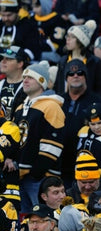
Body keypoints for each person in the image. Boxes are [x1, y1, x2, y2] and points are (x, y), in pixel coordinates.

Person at [12, 61, 65, 214]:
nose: (25, 80)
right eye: (24, 77)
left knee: (45, 217)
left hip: (41, 178)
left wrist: (36, 172)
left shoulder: (51, 106)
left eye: (31, 77)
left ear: (42, 81)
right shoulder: (21, 107)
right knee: (27, 220)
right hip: (21, 176)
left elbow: (53, 145)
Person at [60, 59, 101, 186]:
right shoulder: (58, 100)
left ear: (86, 77)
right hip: (59, 164)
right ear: (66, 78)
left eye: (80, 73)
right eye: (71, 73)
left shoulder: (98, 102)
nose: (75, 76)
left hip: (86, 164)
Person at [54, 20, 101, 96]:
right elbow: (58, 86)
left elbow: (100, 87)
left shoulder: (94, 62)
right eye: (67, 36)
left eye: (72, 37)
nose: (68, 39)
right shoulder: (63, 61)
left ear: (81, 41)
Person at [0, 46, 28, 120]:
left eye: (9, 59)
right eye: (3, 58)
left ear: (20, 64)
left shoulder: (28, 86)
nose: (3, 61)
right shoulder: (0, 83)